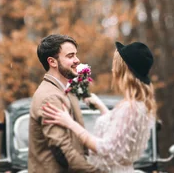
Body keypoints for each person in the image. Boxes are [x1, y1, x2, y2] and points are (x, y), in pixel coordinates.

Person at [42, 41, 157, 173]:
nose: (113, 70)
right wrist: (100, 106)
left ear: (124, 71)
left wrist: (69, 123)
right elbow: (120, 134)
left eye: (116, 66)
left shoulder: (130, 107)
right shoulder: (141, 105)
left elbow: (104, 148)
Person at [28, 34, 101, 172]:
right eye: (70, 56)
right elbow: (62, 151)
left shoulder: (65, 90)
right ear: (52, 62)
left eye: (76, 55)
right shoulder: (49, 97)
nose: (77, 60)